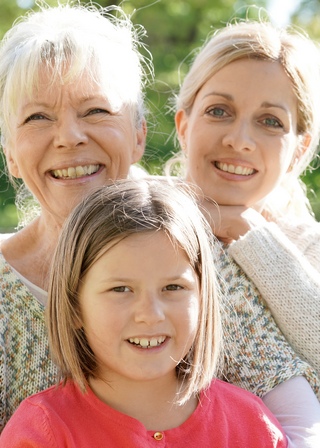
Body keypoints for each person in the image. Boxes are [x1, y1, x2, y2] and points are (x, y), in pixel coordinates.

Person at [0, 178, 288, 447]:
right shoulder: (43, 432)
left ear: (202, 298)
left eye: (173, 287)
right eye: (121, 290)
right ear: (75, 306)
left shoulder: (251, 426)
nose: (150, 314)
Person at [167, 19, 320, 446]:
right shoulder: (138, 220)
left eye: (270, 121)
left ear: (298, 151)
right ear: (183, 123)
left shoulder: (310, 247)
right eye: (219, 111)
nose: (239, 139)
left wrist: (250, 236)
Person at [0, 2, 152, 431]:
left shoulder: (197, 253)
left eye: (96, 111)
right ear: (11, 153)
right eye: (37, 117)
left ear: (138, 134)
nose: (68, 136)